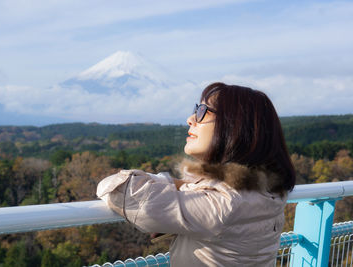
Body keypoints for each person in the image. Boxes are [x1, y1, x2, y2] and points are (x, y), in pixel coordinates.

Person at [96, 82, 296, 267]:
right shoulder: (268, 189)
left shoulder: (222, 203)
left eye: (202, 112)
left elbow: (117, 190)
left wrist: (173, 184)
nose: (190, 119)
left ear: (233, 126)